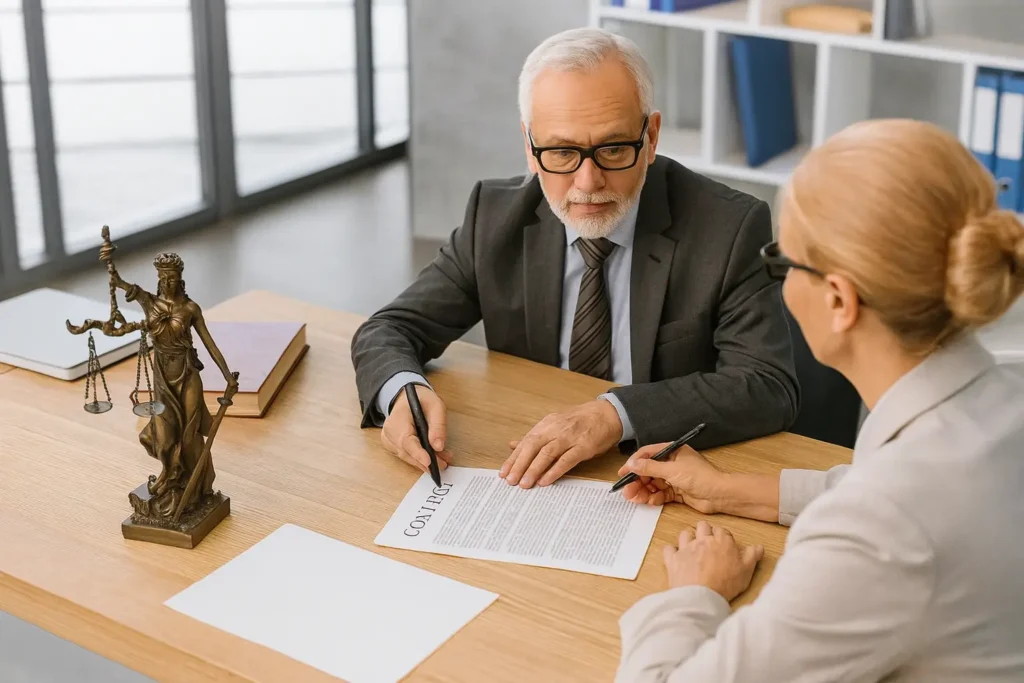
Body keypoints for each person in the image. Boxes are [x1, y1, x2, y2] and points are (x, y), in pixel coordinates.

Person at [613, 119, 1024, 681]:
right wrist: (730, 490)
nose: (777, 282)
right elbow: (887, 488)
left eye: (782, 262)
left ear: (838, 300)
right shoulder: (1001, 403)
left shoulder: (882, 531)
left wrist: (694, 594)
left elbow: (888, 515)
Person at [350, 27, 798, 489]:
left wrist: (614, 414)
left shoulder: (729, 226)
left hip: (657, 479)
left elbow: (767, 385)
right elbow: (390, 328)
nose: (587, 182)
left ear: (651, 137)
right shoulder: (495, 216)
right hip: (529, 468)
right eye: (561, 151)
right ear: (529, 146)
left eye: (612, 149)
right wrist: (403, 390)